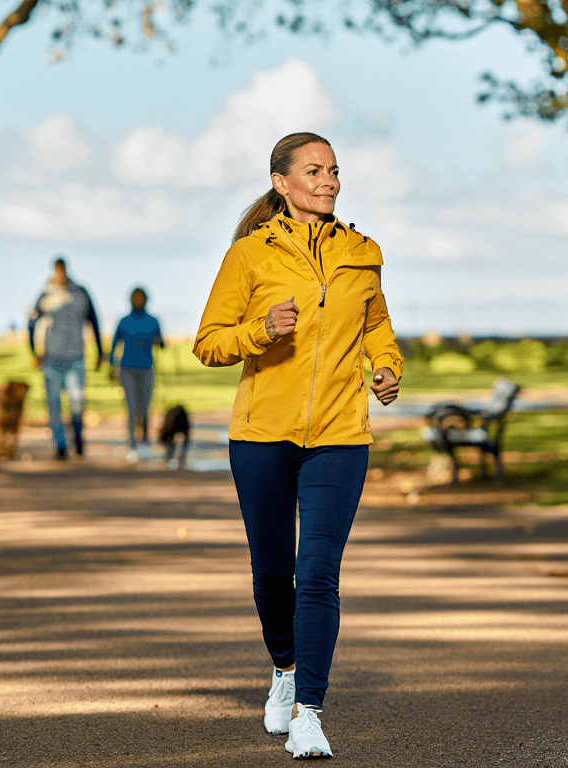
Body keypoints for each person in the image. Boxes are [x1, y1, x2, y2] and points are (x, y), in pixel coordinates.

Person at [193, 132, 402, 759]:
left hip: (340, 435)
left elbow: (376, 322)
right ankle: (283, 668)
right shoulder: (249, 256)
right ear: (282, 182)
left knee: (318, 575)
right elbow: (208, 343)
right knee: (270, 574)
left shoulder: (362, 252)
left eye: (334, 170)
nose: (329, 181)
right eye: (314, 171)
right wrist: (260, 330)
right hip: (261, 436)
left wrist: (386, 365)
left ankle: (309, 709)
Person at [28, 257, 103, 460]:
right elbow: (32, 322)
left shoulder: (80, 293)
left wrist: (99, 351)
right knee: (53, 404)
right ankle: (60, 444)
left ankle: (77, 435)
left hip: (76, 357)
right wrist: (34, 350)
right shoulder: (46, 294)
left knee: (77, 401)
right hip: (52, 358)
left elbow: (94, 321)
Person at [110, 287, 165, 461]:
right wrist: (112, 364)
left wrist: (158, 342)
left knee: (145, 406)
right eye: (135, 297)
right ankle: (132, 442)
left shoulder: (153, 321)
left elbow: (161, 342)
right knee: (132, 406)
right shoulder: (124, 321)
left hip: (147, 368)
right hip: (127, 369)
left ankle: (145, 441)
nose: (138, 300)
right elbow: (114, 344)